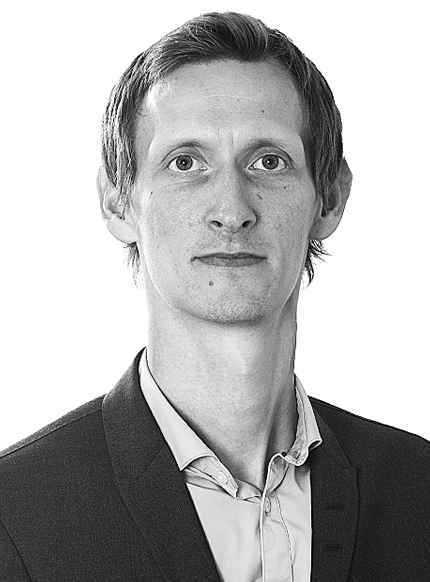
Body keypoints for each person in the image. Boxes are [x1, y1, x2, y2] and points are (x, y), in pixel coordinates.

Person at [1, 11, 429, 582]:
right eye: (186, 163)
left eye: (268, 161)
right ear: (116, 202)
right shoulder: (16, 514)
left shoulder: (418, 493)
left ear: (329, 199)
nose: (232, 210)